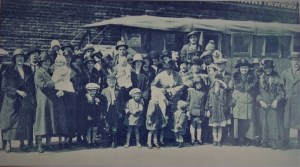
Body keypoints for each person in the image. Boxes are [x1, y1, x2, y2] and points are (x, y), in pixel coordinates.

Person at [0, 49, 36, 153]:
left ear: (24, 58)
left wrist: (30, 97)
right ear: (14, 59)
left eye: (21, 56)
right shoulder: (9, 70)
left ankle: (22, 143)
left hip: (24, 100)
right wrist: (17, 92)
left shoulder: (28, 69)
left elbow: (31, 85)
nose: (20, 58)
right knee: (10, 122)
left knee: (23, 122)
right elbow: (4, 86)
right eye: (17, 57)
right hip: (11, 100)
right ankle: (8, 144)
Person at [151, 60, 185, 145]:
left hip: (175, 99)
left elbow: (182, 85)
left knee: (175, 118)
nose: (169, 70)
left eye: (170, 68)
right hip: (164, 99)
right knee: (164, 117)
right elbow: (153, 85)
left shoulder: (177, 75)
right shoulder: (160, 75)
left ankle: (175, 138)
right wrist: (161, 90)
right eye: (167, 68)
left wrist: (173, 90)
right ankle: (164, 138)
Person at [34, 51, 61, 153]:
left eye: (48, 61)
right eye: (44, 61)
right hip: (42, 100)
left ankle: (48, 144)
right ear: (40, 62)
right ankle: (39, 145)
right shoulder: (39, 72)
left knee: (50, 121)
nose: (47, 63)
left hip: (51, 100)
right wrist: (55, 82)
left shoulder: (50, 71)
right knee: (41, 122)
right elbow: (43, 85)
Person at [256, 58, 285, 150]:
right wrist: (260, 101)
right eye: (266, 68)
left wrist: (276, 100)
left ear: (272, 68)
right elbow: (256, 92)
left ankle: (274, 142)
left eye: (269, 68)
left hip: (273, 105)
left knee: (273, 124)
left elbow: (282, 92)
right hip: (263, 104)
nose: (267, 70)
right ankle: (264, 141)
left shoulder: (277, 78)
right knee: (263, 123)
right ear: (264, 69)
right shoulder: (260, 78)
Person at [228, 58, 258, 146]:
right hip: (237, 102)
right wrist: (232, 99)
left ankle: (248, 138)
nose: (244, 70)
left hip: (249, 101)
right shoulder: (234, 77)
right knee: (237, 121)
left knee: (248, 121)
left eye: (245, 68)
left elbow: (256, 90)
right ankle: (236, 138)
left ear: (248, 68)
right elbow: (230, 89)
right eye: (242, 68)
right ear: (239, 69)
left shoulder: (253, 78)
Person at [100, 74, 124, 148]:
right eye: (110, 81)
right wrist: (102, 112)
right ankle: (107, 141)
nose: (111, 82)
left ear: (116, 81)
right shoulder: (104, 91)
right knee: (107, 126)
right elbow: (101, 103)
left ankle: (114, 141)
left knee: (114, 125)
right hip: (107, 110)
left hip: (115, 110)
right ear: (107, 82)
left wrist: (120, 112)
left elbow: (122, 102)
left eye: (113, 81)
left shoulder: (119, 91)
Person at [282, 52, 300, 149]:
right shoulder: (285, 73)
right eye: (294, 60)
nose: (296, 62)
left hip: (299, 103)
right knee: (286, 122)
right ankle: (285, 142)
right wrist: (284, 97)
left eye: (298, 60)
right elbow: (282, 87)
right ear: (290, 62)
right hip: (288, 102)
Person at [186, 77, 208, 145]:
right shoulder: (191, 91)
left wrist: (206, 110)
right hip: (192, 110)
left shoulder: (204, 93)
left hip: (200, 111)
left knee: (199, 125)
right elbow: (188, 101)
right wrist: (187, 110)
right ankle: (193, 139)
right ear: (195, 85)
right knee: (192, 125)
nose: (199, 86)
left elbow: (206, 102)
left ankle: (199, 139)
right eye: (197, 84)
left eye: (200, 84)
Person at [208, 77, 228, 146]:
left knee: (220, 126)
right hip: (213, 110)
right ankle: (215, 140)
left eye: (218, 84)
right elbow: (208, 101)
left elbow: (225, 101)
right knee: (214, 126)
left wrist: (224, 109)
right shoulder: (210, 91)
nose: (216, 85)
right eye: (215, 84)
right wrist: (207, 110)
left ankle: (219, 140)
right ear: (213, 84)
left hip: (220, 110)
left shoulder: (222, 91)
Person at [84, 83, 102, 149]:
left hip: (96, 116)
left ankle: (93, 141)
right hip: (89, 116)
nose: (93, 92)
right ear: (88, 91)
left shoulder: (97, 98)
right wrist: (87, 115)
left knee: (95, 129)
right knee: (89, 129)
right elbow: (84, 108)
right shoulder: (86, 98)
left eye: (94, 91)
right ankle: (89, 142)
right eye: (91, 91)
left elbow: (100, 109)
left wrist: (98, 103)